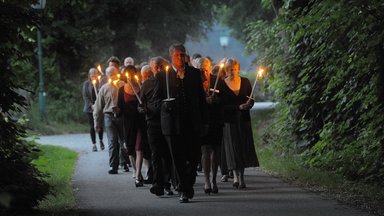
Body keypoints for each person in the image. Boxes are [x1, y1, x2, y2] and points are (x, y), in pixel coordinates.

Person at [154, 44, 208, 203]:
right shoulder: (162, 76)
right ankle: (184, 190)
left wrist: (205, 121)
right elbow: (156, 101)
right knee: (177, 158)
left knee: (195, 156)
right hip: (172, 124)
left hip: (192, 122)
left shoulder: (194, 73)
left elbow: (201, 100)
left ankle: (187, 183)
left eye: (183, 55)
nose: (181, 58)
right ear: (171, 56)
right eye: (178, 55)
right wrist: (165, 104)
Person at [221, 58, 259, 189]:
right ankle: (236, 176)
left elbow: (251, 98)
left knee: (242, 148)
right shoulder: (222, 84)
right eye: (230, 69)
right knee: (234, 149)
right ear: (227, 70)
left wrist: (249, 104)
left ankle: (241, 177)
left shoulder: (246, 81)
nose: (233, 71)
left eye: (235, 69)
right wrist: (238, 107)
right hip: (229, 121)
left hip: (243, 120)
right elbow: (222, 105)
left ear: (238, 69)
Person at [140, 56, 174, 196]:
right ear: (152, 69)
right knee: (155, 154)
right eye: (156, 67)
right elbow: (141, 103)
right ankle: (157, 183)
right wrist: (141, 109)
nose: (159, 69)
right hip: (152, 123)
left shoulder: (170, 82)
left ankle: (167, 182)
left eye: (161, 66)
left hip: (167, 123)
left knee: (167, 154)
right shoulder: (146, 84)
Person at [196, 57, 224, 194]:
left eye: (206, 69)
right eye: (201, 69)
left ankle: (214, 179)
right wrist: (204, 101)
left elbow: (224, 98)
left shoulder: (217, 80)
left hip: (216, 119)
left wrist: (216, 100)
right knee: (205, 150)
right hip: (202, 120)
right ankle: (207, 180)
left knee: (216, 150)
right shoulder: (194, 82)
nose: (204, 72)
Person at [118, 65, 148, 186]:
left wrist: (143, 108)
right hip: (128, 123)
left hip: (140, 122)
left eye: (132, 74)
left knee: (139, 147)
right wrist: (116, 111)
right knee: (130, 149)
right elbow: (119, 108)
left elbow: (145, 104)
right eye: (128, 74)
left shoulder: (141, 88)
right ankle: (136, 172)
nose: (130, 77)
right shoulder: (121, 90)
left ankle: (137, 174)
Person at [93, 66, 125, 174]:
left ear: (118, 73)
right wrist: (96, 122)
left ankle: (124, 162)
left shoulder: (123, 85)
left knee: (123, 140)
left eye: (114, 73)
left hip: (122, 116)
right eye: (110, 74)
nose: (112, 76)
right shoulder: (104, 88)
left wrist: (121, 109)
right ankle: (113, 166)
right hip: (109, 116)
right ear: (107, 76)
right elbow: (98, 107)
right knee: (112, 141)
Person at [82, 68, 105, 152]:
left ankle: (101, 140)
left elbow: (102, 95)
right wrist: (91, 105)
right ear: (89, 75)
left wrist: (98, 105)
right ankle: (94, 144)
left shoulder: (100, 83)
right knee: (92, 126)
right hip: (90, 109)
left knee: (100, 125)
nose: (94, 77)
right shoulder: (86, 84)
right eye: (92, 75)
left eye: (95, 75)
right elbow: (85, 96)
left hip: (99, 108)